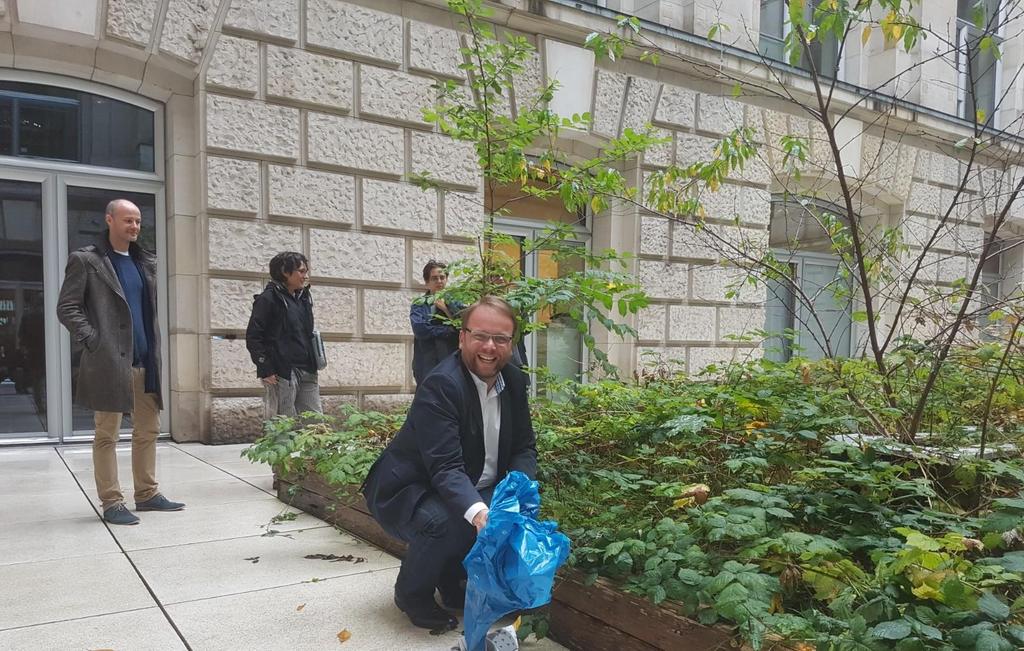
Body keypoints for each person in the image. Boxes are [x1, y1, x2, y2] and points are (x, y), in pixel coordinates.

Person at [363, 296, 537, 631]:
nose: (490, 347)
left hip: (466, 484)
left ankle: (451, 580)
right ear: (462, 338)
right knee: (449, 520)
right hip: (409, 490)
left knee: (502, 513)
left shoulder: (514, 381)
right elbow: (445, 468)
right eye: (480, 336)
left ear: (511, 343)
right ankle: (411, 594)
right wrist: (482, 513)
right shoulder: (442, 384)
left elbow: (524, 447)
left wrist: (516, 492)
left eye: (500, 339)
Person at [56, 199, 183, 526]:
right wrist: (94, 340)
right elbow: (67, 307)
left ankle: (147, 494)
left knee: (148, 430)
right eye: (128, 220)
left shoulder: (145, 261)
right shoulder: (87, 260)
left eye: (138, 221)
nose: (135, 227)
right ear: (109, 219)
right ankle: (112, 501)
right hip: (109, 363)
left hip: (144, 362)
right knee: (107, 434)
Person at [246, 251, 322, 418]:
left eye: (306, 271)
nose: (305, 276)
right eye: (301, 271)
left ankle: (311, 446)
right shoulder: (268, 299)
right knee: (282, 422)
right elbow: (254, 336)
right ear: (285, 272)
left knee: (315, 421)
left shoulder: (303, 298)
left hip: (307, 367)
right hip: (282, 371)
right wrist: (265, 368)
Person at [410, 260, 462, 386]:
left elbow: (462, 327)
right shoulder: (420, 304)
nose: (439, 281)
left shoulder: (456, 303)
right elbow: (420, 330)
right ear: (427, 282)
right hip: (427, 362)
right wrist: (449, 330)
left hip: (452, 361)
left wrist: (445, 309)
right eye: (434, 278)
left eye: (442, 277)